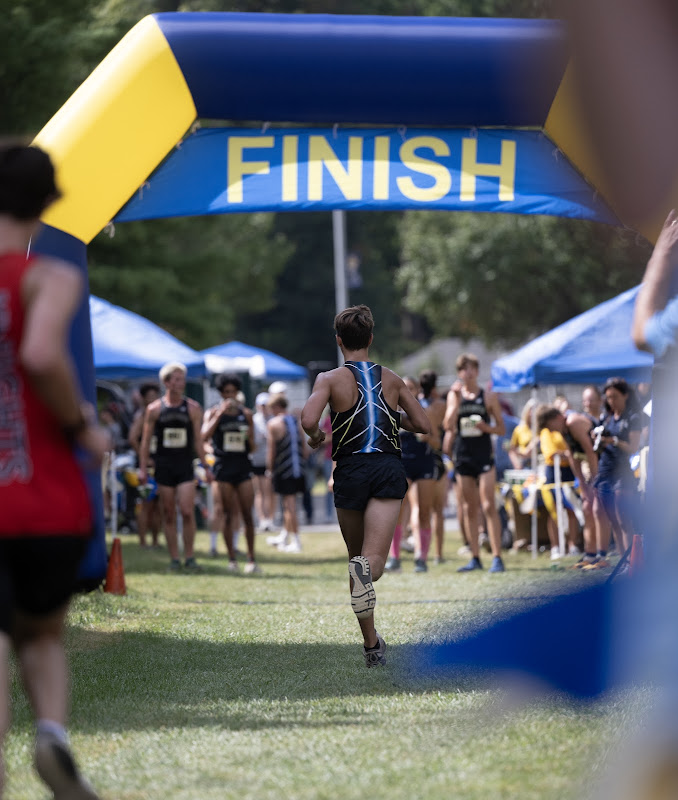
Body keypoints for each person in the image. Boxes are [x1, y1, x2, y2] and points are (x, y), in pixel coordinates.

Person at [0, 143, 110, 799]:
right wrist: (80, 426)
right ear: (47, 203)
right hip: (45, 495)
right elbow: (41, 353)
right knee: (41, 633)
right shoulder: (49, 276)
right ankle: (50, 734)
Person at [300, 305, 430, 667]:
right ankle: (370, 625)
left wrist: (316, 437)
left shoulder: (329, 379)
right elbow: (423, 424)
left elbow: (308, 419)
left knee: (356, 560)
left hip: (350, 470)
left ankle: (372, 646)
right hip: (386, 468)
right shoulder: (391, 378)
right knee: (372, 564)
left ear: (339, 341)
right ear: (370, 339)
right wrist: (389, 415)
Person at [139, 362, 212, 573]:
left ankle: (189, 556)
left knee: (187, 511)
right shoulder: (154, 409)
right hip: (163, 466)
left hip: (185, 466)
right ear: (167, 382)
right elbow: (145, 441)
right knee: (169, 513)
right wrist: (143, 468)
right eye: (177, 379)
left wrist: (206, 466)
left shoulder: (193, 408)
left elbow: (198, 440)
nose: (181, 383)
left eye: (183, 379)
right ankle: (174, 558)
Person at [443, 353, 506, 573]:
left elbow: (501, 428)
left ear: (477, 372)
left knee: (488, 505)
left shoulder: (488, 396)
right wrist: (456, 400)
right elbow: (447, 425)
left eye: (472, 368)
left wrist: (485, 428)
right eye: (464, 369)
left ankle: (497, 557)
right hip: (463, 456)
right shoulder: (454, 395)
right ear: (459, 373)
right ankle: (475, 557)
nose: (468, 373)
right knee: (470, 508)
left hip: (484, 456)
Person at [201, 373, 260, 574]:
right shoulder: (212, 412)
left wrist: (248, 438)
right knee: (225, 513)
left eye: (233, 392)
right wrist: (219, 414)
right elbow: (203, 436)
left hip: (242, 466)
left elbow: (253, 447)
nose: (230, 396)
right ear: (221, 393)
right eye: (226, 392)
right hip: (223, 467)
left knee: (247, 514)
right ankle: (232, 559)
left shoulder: (246, 414)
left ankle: (251, 559)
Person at [590, 377, 642, 566]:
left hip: (622, 472)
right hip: (605, 471)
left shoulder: (632, 418)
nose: (611, 401)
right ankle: (622, 561)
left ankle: (632, 563)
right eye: (609, 397)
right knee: (612, 520)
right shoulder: (606, 418)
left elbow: (633, 448)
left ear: (625, 395)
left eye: (615, 397)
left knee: (624, 519)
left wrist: (614, 441)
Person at [266, 394, 308, 553]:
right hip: (299, 470)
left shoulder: (273, 424)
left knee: (290, 506)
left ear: (276, 407)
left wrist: (269, 470)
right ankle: (284, 537)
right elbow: (304, 449)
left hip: (283, 470)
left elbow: (271, 451)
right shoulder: (296, 421)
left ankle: (296, 542)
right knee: (288, 504)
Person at [128, 382, 162, 549]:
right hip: (145, 467)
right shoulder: (142, 416)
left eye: (155, 396)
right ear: (143, 399)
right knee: (145, 504)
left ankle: (155, 541)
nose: (153, 400)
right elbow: (132, 438)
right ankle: (143, 542)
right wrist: (144, 457)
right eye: (150, 397)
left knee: (158, 505)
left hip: (160, 465)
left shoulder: (161, 414)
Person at [250, 391, 275, 532]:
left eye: (266, 405)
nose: (264, 408)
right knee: (259, 491)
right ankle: (262, 520)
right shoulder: (254, 420)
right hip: (256, 460)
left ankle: (270, 519)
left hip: (269, 460)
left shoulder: (273, 419)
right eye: (262, 405)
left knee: (269, 491)